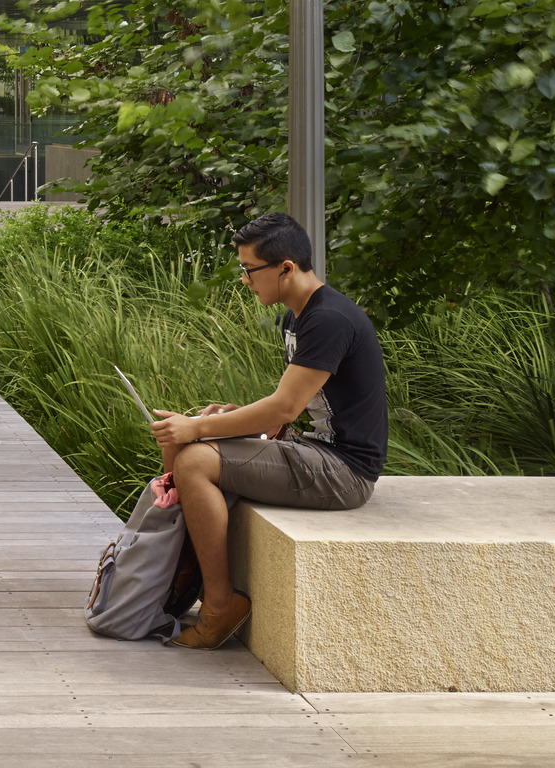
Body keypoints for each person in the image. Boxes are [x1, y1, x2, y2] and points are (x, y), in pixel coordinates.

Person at [148, 211, 387, 650]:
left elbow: (285, 405)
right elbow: (292, 408)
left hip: (345, 471)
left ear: (286, 268)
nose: (244, 280)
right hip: (314, 449)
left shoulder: (329, 318)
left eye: (248, 269)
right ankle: (175, 583)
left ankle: (219, 606)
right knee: (191, 442)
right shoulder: (298, 315)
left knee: (195, 457)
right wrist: (224, 419)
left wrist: (201, 428)